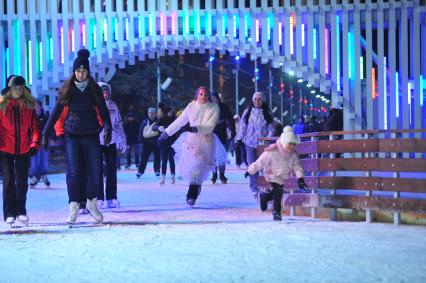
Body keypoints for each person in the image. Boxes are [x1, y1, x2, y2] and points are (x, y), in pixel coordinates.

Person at [42, 48, 112, 224]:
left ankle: (91, 203)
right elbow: (56, 112)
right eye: (78, 71)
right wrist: (45, 133)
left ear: (88, 72)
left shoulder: (94, 90)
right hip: (72, 136)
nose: (81, 74)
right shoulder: (68, 90)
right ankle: (73, 206)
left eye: (84, 71)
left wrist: (108, 128)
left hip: (91, 135)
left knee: (95, 172)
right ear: (74, 72)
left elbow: (104, 111)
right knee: (74, 173)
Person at [158, 86, 225, 206]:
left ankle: (192, 194)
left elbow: (210, 126)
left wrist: (195, 128)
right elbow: (179, 121)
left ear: (208, 95)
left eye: (205, 94)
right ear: (197, 95)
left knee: (199, 167)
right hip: (191, 141)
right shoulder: (191, 106)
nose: (203, 96)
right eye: (201, 94)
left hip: (206, 142)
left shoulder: (214, 108)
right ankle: (194, 190)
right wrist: (166, 133)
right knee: (193, 168)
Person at [0, 75, 40, 224]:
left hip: (24, 149)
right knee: (9, 180)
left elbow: (35, 126)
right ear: (10, 89)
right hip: (5, 149)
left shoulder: (28, 106)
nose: (18, 90)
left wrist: (35, 144)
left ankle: (21, 210)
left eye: (21, 88)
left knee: (22, 181)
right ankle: (9, 213)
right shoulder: (2, 105)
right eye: (15, 88)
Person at [245, 126, 308, 221]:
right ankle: (277, 213)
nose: (291, 146)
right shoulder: (273, 151)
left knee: (278, 192)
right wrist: (250, 171)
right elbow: (260, 162)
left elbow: (297, 167)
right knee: (278, 192)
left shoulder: (293, 154)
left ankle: (264, 197)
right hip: (271, 174)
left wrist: (300, 179)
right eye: (289, 144)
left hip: (282, 176)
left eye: (294, 144)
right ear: (284, 143)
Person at [235, 92, 274, 199]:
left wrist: (268, 139)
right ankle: (254, 188)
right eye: (255, 99)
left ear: (263, 101)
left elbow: (271, 127)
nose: (257, 101)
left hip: (263, 144)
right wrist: (239, 139)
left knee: (266, 165)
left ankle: (267, 186)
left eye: (259, 99)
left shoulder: (267, 113)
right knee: (252, 166)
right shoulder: (247, 112)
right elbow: (243, 126)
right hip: (250, 143)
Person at [98, 82, 126, 208]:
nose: (105, 95)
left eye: (107, 92)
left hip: (111, 141)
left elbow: (119, 124)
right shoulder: (95, 106)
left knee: (111, 170)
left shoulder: (113, 106)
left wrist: (123, 139)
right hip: (97, 141)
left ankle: (111, 197)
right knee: (97, 170)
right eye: (102, 92)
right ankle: (98, 197)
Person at [210, 92, 236, 184]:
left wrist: (233, 131)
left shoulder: (224, 107)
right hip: (210, 135)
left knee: (221, 154)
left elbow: (230, 119)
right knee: (212, 156)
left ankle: (222, 174)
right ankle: (214, 174)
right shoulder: (207, 107)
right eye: (211, 98)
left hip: (221, 134)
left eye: (215, 97)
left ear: (217, 98)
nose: (213, 99)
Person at [154, 103, 177, 185]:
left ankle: (173, 177)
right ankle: (163, 178)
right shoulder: (162, 119)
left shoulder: (175, 119)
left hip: (172, 143)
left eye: (171, 112)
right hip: (163, 143)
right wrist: (158, 128)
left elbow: (180, 127)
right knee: (164, 160)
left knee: (171, 159)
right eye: (169, 112)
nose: (171, 113)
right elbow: (154, 127)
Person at [29, 100, 50, 187]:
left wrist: (49, 138)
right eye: (34, 106)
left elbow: (49, 128)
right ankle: (34, 176)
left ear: (41, 107)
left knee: (44, 159)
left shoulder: (45, 117)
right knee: (34, 160)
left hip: (43, 141)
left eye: (37, 106)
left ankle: (44, 175)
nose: (36, 108)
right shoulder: (30, 117)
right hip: (33, 142)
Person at [137, 107, 160, 178]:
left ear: (155, 114)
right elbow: (141, 131)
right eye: (149, 113)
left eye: (152, 113)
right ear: (148, 113)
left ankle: (157, 170)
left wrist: (160, 140)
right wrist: (140, 140)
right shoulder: (144, 121)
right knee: (144, 158)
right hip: (146, 143)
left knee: (157, 157)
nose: (151, 114)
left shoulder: (158, 122)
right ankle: (140, 171)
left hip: (156, 143)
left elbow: (161, 131)